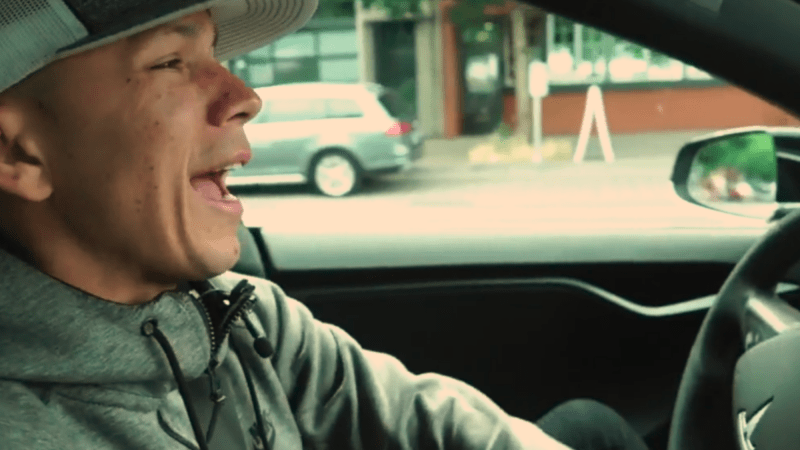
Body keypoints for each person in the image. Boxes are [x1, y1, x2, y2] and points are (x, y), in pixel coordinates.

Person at [0, 1, 649, 449]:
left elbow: (421, 419)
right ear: (16, 153)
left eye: (214, 53)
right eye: (169, 61)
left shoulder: (236, 314)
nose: (246, 98)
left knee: (586, 427)